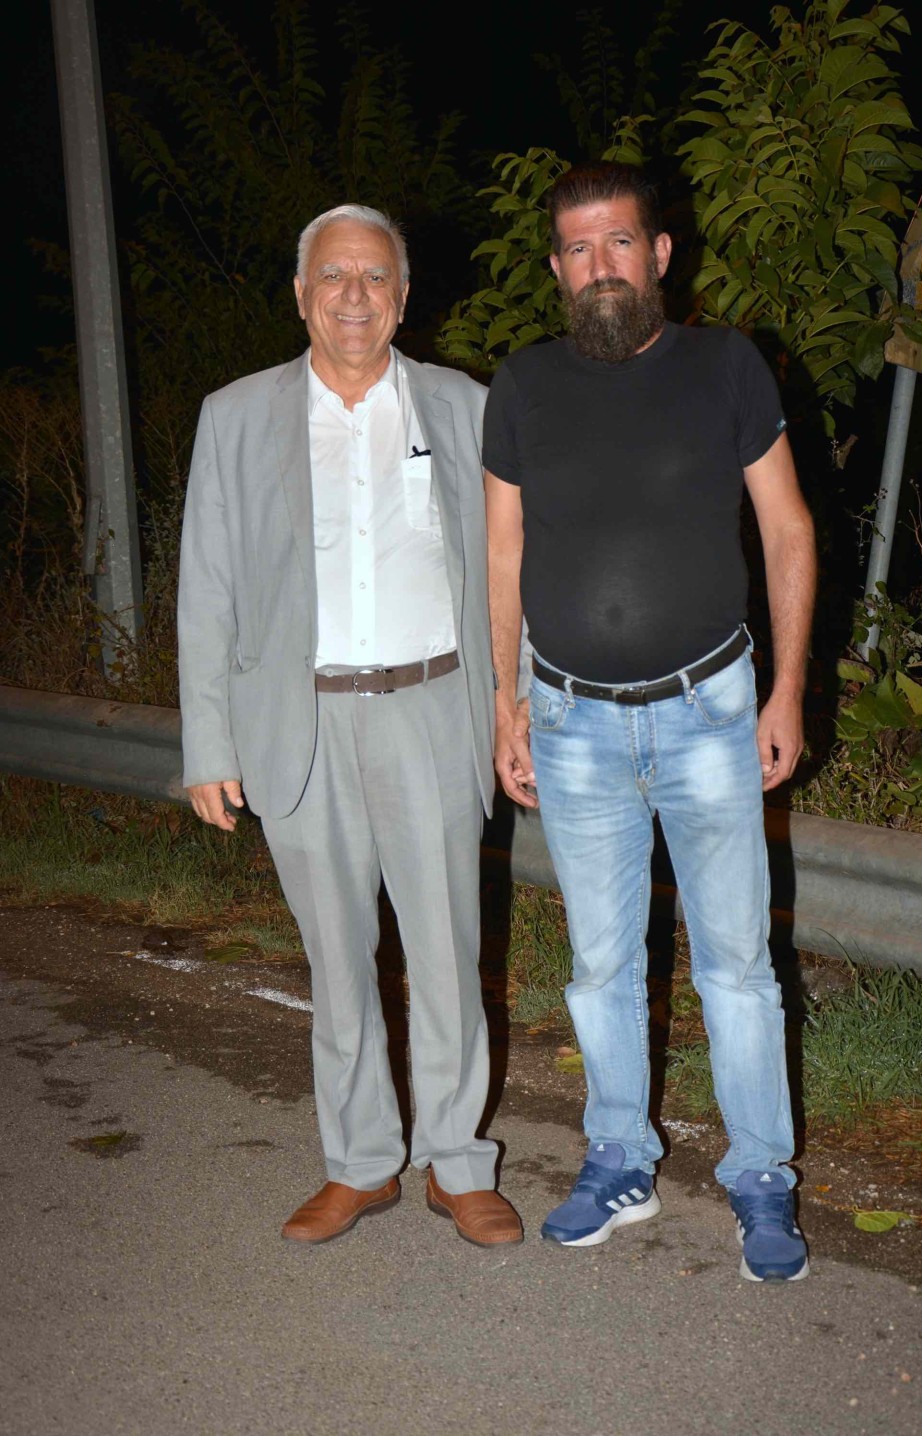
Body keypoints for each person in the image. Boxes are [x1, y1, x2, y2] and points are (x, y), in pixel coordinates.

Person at [483, 162, 816, 1281]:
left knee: (738, 967)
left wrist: (786, 691)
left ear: (660, 252)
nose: (601, 267)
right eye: (578, 249)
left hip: (711, 713)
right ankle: (620, 1158)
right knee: (598, 968)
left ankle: (760, 1176)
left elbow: (788, 531)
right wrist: (506, 701)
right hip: (570, 721)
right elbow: (502, 552)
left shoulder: (725, 367)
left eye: (619, 242)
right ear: (556, 267)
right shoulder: (523, 384)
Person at [178, 203, 522, 1248]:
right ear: (300, 294)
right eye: (334, 276)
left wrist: (513, 705)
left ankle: (458, 1164)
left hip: (434, 709)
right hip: (302, 721)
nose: (355, 295)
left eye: (375, 277)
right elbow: (207, 583)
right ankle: (361, 1163)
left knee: (448, 953)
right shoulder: (237, 415)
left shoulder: (465, 407)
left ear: (404, 298)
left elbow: (509, 573)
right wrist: (208, 742)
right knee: (337, 961)